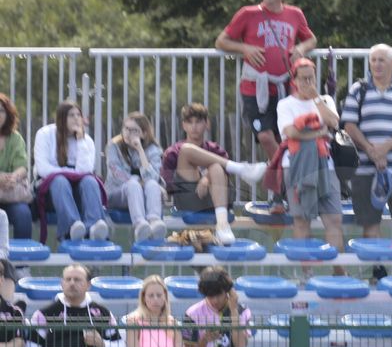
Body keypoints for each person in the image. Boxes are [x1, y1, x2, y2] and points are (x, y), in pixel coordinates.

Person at [215, 0, 316, 214]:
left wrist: (302, 50)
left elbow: (311, 38)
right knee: (266, 138)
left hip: (284, 86)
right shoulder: (248, 14)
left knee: (287, 138)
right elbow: (221, 41)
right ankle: (284, 185)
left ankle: (278, 194)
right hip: (255, 86)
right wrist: (245, 49)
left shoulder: (294, 14)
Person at [341, 44, 392, 245]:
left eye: (381, 60)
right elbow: (349, 126)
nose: (376, 64)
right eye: (373, 60)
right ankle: (376, 273)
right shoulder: (358, 89)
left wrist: (385, 148)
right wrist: (371, 150)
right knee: (370, 226)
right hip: (365, 169)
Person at [160, 103, 266, 245]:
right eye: (189, 122)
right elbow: (169, 188)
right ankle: (240, 168)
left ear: (207, 124)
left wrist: (207, 178)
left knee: (216, 167)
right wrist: (195, 175)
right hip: (188, 199)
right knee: (186, 151)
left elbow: (227, 183)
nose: (194, 127)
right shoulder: (173, 152)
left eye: (198, 122)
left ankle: (222, 226)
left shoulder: (216, 150)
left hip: (215, 200)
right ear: (183, 125)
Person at [277, 58, 345, 259]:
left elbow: (333, 122)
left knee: (333, 219)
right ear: (294, 80)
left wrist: (316, 98)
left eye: (311, 78)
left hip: (326, 165)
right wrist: (318, 133)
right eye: (303, 78)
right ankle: (306, 275)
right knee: (301, 220)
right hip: (297, 165)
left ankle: (338, 272)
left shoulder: (325, 99)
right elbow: (290, 132)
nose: (308, 83)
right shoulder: (285, 104)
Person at [33, 101, 108, 242]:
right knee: (60, 180)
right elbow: (43, 169)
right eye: (71, 115)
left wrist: (80, 141)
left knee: (90, 181)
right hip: (51, 192)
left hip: (78, 193)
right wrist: (69, 173)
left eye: (78, 115)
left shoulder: (87, 141)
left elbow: (85, 170)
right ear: (61, 118)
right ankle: (71, 229)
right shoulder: (44, 134)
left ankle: (93, 227)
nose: (76, 118)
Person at [105, 112, 167, 242]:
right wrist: (138, 181)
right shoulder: (113, 146)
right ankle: (140, 225)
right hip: (117, 194)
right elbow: (118, 175)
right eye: (126, 128)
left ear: (144, 133)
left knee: (152, 184)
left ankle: (154, 222)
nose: (128, 133)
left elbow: (153, 177)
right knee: (133, 184)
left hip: (142, 197)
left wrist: (140, 150)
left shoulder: (154, 149)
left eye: (134, 130)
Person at [0, 93, 33, 242]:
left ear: (7, 114)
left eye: (1, 110)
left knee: (23, 214)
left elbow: (22, 167)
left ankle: (22, 264)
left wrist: (14, 177)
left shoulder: (15, 138)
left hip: (11, 194)